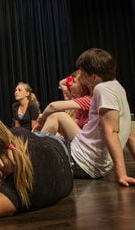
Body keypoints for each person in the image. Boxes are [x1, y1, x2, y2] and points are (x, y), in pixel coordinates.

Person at [41, 48, 135, 185]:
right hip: (80, 152)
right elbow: (130, 135)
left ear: (94, 77)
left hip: (80, 160)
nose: (80, 78)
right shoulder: (118, 87)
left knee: (31, 146)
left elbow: (111, 131)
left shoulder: (102, 89)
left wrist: (122, 174)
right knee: (40, 141)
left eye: (82, 75)